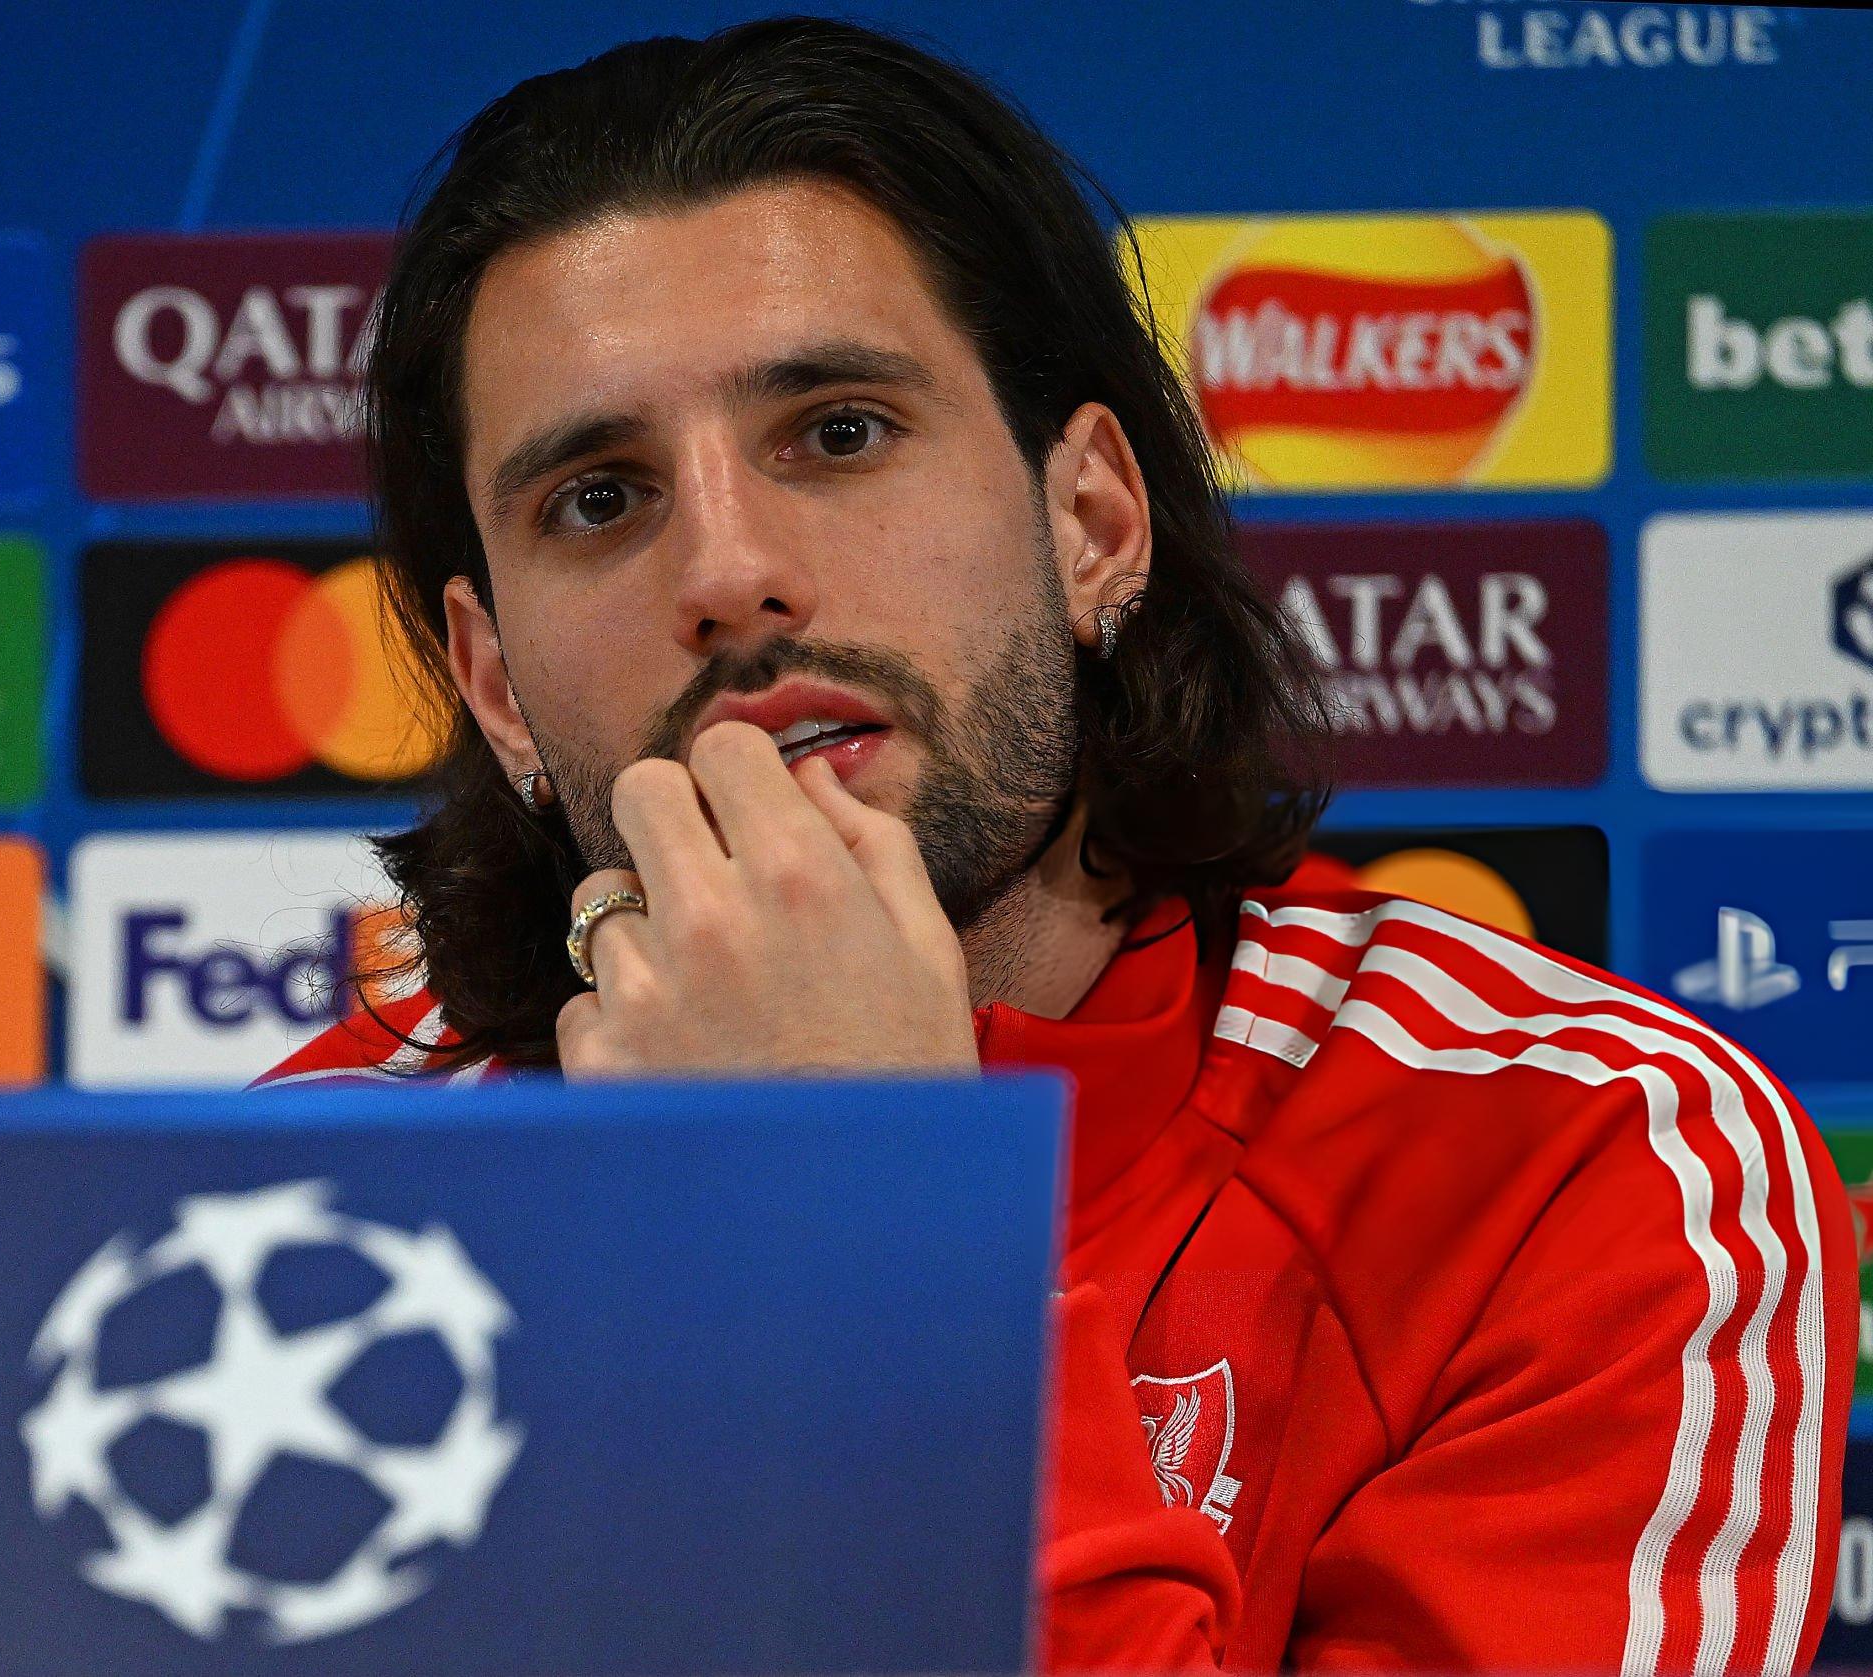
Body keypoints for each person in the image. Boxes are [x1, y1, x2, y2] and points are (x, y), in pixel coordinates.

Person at [259, 17, 1855, 1671]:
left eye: (839, 431)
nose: (726, 572)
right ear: (498, 687)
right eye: (600, 497)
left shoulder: (1585, 1171)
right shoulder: (312, 1210)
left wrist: (879, 1228)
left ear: (1091, 520)